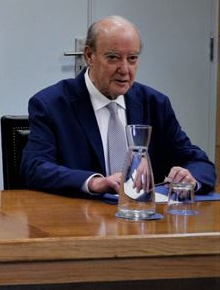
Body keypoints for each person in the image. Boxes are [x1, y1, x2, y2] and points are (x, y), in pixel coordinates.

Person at [21, 15, 215, 196]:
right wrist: (93, 182)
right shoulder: (52, 104)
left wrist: (190, 178)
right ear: (89, 56)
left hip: (144, 222)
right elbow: (35, 168)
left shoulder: (155, 103)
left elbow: (200, 163)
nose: (124, 70)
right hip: (81, 220)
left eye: (132, 59)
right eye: (113, 57)